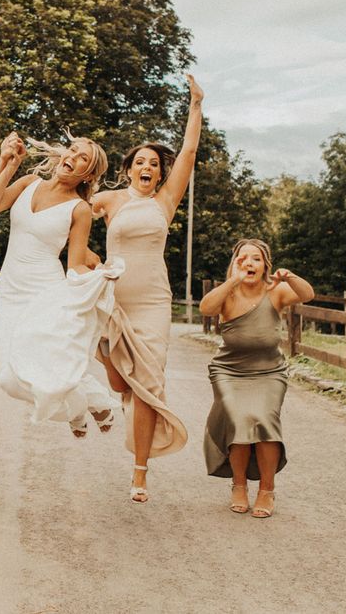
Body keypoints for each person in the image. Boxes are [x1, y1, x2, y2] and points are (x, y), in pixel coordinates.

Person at [91, 74, 203, 502]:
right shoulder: (109, 201)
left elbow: (189, 152)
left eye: (154, 164)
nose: (147, 168)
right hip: (114, 300)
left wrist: (195, 105)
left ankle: (139, 473)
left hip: (153, 303)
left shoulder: (165, 202)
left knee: (147, 387)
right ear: (129, 169)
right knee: (121, 384)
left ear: (159, 173)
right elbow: (72, 219)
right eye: (140, 162)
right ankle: (109, 368)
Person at [0, 132, 119, 435]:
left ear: (89, 174)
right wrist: (6, 162)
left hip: (46, 289)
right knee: (10, 376)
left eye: (84, 159)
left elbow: (76, 264)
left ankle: (87, 405)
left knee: (48, 360)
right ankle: (82, 405)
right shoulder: (29, 182)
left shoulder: (79, 209)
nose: (73, 157)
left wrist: (101, 276)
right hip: (11, 286)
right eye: (73, 150)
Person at [200, 239, 313, 517]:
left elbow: (308, 294)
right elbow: (206, 308)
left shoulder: (276, 292)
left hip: (269, 371)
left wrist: (291, 277)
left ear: (265, 266)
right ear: (235, 263)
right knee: (238, 421)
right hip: (229, 370)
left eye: (256, 259)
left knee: (263, 422)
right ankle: (238, 485)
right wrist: (232, 281)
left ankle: (267, 489)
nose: (249, 262)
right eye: (243, 258)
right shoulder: (228, 293)